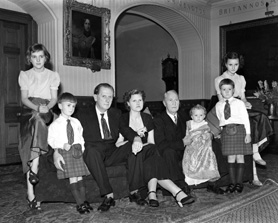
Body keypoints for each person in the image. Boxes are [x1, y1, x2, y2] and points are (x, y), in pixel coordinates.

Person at [119, 89, 195, 207]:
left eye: (140, 100)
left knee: (152, 153)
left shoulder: (147, 118)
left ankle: (153, 194)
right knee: (152, 152)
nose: (138, 103)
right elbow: (118, 144)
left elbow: (151, 142)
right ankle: (175, 192)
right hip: (129, 152)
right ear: (128, 103)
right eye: (134, 100)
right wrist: (135, 140)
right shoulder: (123, 118)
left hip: (147, 153)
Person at [214, 51, 273, 186]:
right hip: (228, 111)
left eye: (236, 64)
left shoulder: (241, 79)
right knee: (255, 119)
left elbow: (243, 97)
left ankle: (256, 149)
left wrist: (246, 103)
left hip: (240, 107)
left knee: (261, 117)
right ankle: (255, 152)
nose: (233, 68)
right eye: (230, 64)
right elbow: (222, 101)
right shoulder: (219, 79)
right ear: (225, 64)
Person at [154, 90, 228, 195]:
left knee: (212, 143)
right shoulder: (158, 119)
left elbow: (199, 127)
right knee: (168, 152)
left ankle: (213, 182)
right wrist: (182, 142)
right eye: (170, 100)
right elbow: (161, 144)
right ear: (164, 103)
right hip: (174, 150)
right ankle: (180, 184)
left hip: (190, 148)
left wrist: (210, 135)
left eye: (176, 100)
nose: (174, 103)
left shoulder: (184, 115)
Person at [18, 43, 60, 210]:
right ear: (30, 59)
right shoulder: (25, 75)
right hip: (30, 110)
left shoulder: (53, 75)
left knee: (40, 120)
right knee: (36, 122)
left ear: (46, 58)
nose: (38, 60)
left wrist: (46, 108)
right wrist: (36, 108)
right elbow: (24, 99)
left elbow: (54, 99)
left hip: (47, 109)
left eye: (41, 56)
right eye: (34, 57)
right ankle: (31, 192)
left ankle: (33, 170)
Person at [48, 93, 92, 214]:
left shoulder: (76, 122)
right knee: (73, 178)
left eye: (73, 106)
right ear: (60, 106)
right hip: (66, 152)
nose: (71, 108)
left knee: (80, 177)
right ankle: (79, 204)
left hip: (77, 151)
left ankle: (84, 201)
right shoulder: (55, 124)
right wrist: (62, 145)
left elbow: (80, 136)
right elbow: (50, 139)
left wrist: (82, 148)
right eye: (68, 105)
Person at [215, 78, 252, 193]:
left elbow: (246, 119)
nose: (226, 91)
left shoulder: (239, 103)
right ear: (220, 91)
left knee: (240, 157)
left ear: (233, 90)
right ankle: (232, 183)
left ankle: (239, 183)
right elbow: (220, 119)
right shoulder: (218, 105)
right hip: (226, 131)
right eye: (224, 89)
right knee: (230, 157)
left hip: (239, 129)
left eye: (229, 89)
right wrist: (221, 132)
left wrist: (248, 133)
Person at [182, 104, 220, 186]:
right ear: (192, 116)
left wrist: (206, 136)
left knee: (206, 155)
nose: (198, 117)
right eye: (196, 115)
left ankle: (204, 177)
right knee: (190, 159)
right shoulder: (189, 124)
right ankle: (191, 179)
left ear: (204, 116)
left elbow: (208, 136)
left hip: (203, 147)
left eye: (201, 115)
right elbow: (187, 135)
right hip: (192, 146)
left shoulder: (205, 125)